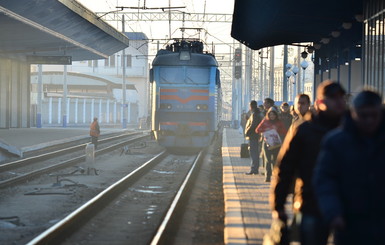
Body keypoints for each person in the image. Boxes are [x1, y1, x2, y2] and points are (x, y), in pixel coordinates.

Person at [270, 80, 346, 245]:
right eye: (333, 98)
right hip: (310, 202)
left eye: (342, 97)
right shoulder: (304, 130)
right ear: (320, 102)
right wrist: (278, 204)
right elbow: (285, 167)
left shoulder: (352, 129)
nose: (339, 102)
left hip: (347, 205)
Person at [314, 90, 385, 245]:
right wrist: (333, 213)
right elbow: (325, 180)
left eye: (374, 115)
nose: (369, 120)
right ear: (353, 113)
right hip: (349, 222)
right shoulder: (336, 142)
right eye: (363, 115)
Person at [256, 107, 287, 182]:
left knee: (276, 160)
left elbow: (284, 131)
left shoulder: (279, 122)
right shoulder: (265, 121)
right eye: (270, 115)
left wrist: (277, 131)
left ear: (276, 115)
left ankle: (276, 175)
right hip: (267, 143)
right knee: (268, 160)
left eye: (273, 115)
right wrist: (265, 130)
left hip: (276, 144)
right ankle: (268, 176)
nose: (272, 116)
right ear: (268, 115)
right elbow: (257, 130)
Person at [244, 100, 263, 175]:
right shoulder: (257, 113)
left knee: (253, 153)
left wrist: (247, 131)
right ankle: (255, 168)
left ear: (251, 106)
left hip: (253, 136)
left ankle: (254, 169)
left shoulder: (255, 114)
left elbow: (253, 125)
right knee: (255, 153)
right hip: (256, 136)